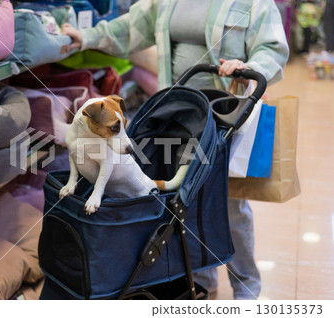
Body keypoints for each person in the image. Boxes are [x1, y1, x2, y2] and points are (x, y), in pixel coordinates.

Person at [62, 0, 289, 300]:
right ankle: (203, 278)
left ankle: (246, 286)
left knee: (229, 205)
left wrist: (249, 68)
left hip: (226, 115)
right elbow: (131, 27)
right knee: (187, 198)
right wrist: (87, 36)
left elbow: (272, 47)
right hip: (178, 114)